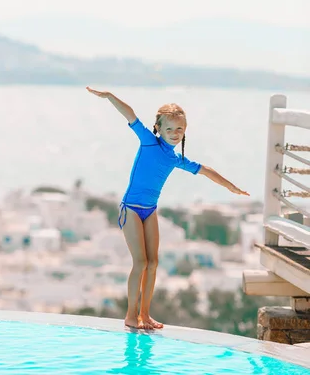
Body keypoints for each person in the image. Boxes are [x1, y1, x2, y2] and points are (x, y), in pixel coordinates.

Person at [86, 86, 250, 330]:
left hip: (150, 210)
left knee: (153, 263)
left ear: (185, 131)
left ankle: (145, 314)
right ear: (159, 129)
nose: (174, 133)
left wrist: (231, 187)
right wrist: (110, 97)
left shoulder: (175, 159)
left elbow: (205, 170)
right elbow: (130, 115)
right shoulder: (148, 142)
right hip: (130, 208)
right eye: (169, 128)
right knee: (140, 262)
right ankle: (131, 316)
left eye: (179, 129)